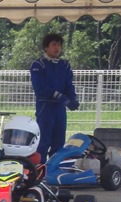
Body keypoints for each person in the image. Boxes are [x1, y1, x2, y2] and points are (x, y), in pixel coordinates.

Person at [30, 32, 79, 163]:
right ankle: (40, 169)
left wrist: (73, 98)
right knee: (43, 141)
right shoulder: (38, 65)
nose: (57, 48)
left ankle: (54, 169)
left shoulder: (65, 64)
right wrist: (61, 97)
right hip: (45, 107)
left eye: (59, 45)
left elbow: (69, 84)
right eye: (53, 44)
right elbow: (40, 88)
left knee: (59, 142)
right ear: (46, 47)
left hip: (59, 108)